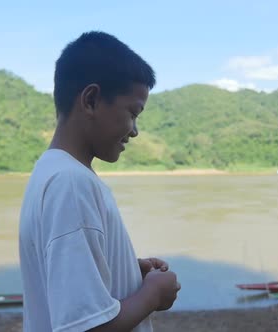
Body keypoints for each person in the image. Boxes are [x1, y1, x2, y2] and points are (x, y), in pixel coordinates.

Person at [19, 31, 181, 332]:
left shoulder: (53, 172)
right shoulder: (70, 183)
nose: (134, 131)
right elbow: (85, 327)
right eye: (133, 113)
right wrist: (153, 294)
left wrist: (128, 272)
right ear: (91, 100)